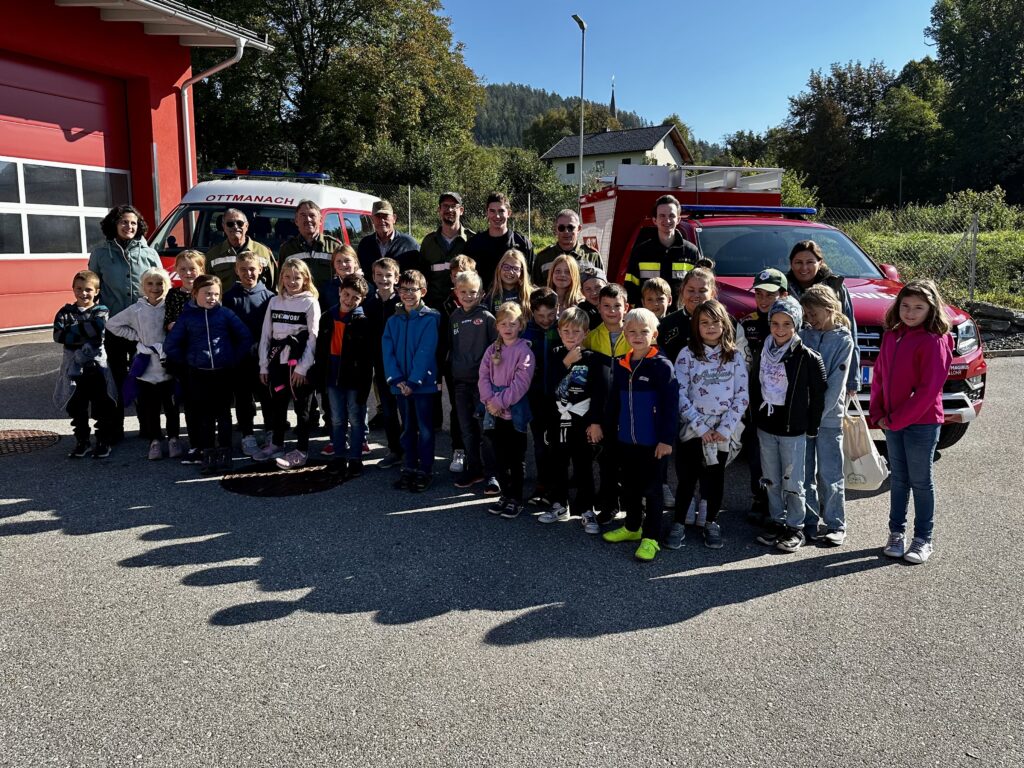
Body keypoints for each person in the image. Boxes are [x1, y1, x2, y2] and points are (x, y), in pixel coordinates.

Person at [871, 279, 953, 565]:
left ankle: (923, 538)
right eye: (905, 305)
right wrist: (878, 412)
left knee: (920, 481)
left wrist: (895, 419)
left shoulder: (934, 340)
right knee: (899, 479)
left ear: (931, 309)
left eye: (918, 307)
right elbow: (879, 375)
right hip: (892, 421)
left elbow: (928, 391)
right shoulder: (892, 336)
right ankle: (896, 533)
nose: (910, 312)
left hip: (922, 423)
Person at [592, 308, 678, 562]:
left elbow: (671, 406)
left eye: (644, 331)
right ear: (625, 334)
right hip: (625, 441)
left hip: (653, 442)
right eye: (632, 331)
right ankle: (632, 527)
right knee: (629, 487)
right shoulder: (622, 364)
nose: (638, 336)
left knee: (651, 490)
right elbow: (613, 404)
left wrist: (666, 439)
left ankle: (651, 537)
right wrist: (609, 434)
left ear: (654, 334)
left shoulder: (662, 366)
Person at [750, 296, 827, 553]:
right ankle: (777, 520)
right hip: (766, 425)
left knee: (793, 481)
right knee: (771, 478)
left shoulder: (808, 357)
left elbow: (818, 395)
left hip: (793, 428)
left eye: (787, 324)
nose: (780, 329)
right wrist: (754, 418)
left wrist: (812, 426)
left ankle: (796, 526)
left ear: (797, 325)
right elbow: (755, 385)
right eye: (775, 323)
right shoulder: (762, 350)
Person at [670, 300, 749, 550]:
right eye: (704, 322)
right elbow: (679, 393)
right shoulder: (687, 355)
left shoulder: (734, 356)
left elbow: (742, 395)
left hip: (721, 432)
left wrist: (724, 429)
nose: (710, 327)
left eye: (715, 322)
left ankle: (711, 521)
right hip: (694, 429)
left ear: (724, 324)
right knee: (687, 479)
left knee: (714, 480)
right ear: (696, 326)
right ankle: (678, 522)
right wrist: (700, 427)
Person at [87, 204, 160, 442]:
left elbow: (160, 287)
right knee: (116, 376)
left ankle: (148, 426)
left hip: (143, 326)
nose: (129, 226)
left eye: (133, 223)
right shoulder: (100, 253)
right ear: (114, 224)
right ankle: (115, 428)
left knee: (143, 374)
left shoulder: (149, 253)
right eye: (124, 222)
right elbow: (93, 288)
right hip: (115, 327)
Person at [164, 274, 252, 472]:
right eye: (207, 294)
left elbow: (245, 337)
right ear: (195, 294)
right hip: (198, 374)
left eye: (216, 294)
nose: (212, 298)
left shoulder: (225, 314)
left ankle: (225, 450)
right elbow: (170, 345)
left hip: (223, 372)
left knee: (224, 413)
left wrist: (233, 358)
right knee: (204, 415)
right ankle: (208, 451)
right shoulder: (187, 317)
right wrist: (188, 361)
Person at [799, 285, 855, 546]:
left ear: (830, 308)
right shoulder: (803, 335)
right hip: (803, 417)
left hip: (829, 418)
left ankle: (835, 523)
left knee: (830, 473)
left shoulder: (844, 340)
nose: (810, 319)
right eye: (806, 315)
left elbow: (836, 384)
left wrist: (817, 416)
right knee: (805, 471)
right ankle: (809, 520)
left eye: (814, 314)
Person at [106, 267, 181, 460]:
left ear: (167, 285)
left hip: (168, 365)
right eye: (150, 283)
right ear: (143, 286)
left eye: (160, 283)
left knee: (171, 407)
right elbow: (112, 324)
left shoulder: (171, 307)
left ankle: (173, 439)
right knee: (151, 409)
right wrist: (136, 337)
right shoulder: (136, 309)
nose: (155, 287)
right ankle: (154, 441)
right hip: (146, 368)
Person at [255, 257, 321, 468]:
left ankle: (301, 449)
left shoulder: (310, 302)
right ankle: (276, 443)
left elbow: (313, 338)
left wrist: (303, 368)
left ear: (305, 279)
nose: (292, 282)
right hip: (277, 362)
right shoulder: (275, 301)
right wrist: (264, 365)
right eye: (288, 277)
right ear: (281, 278)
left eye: (297, 278)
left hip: (299, 363)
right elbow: (266, 334)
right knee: (278, 404)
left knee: (302, 408)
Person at [537, 306, 601, 525]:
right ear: (559, 331)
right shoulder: (555, 354)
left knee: (583, 464)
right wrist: (566, 362)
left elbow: (598, 393)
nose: (571, 336)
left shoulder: (593, 358)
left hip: (582, 420)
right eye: (566, 331)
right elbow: (549, 385)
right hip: (558, 420)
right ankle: (559, 504)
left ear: (586, 333)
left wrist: (595, 422)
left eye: (576, 331)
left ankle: (587, 509)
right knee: (558, 462)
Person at [739, 268, 789, 522]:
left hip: (784, 400)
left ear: (784, 295)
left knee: (785, 454)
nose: (763, 299)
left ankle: (786, 502)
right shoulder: (746, 323)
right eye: (759, 293)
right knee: (756, 452)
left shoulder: (793, 324)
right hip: (755, 399)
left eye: (770, 294)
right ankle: (760, 498)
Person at [383, 269, 440, 493]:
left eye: (412, 289)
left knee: (425, 429)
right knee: (407, 428)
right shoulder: (392, 321)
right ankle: (409, 466)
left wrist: (414, 381)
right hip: (400, 385)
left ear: (422, 291)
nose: (407, 294)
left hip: (422, 386)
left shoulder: (430, 318)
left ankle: (425, 469)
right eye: (403, 289)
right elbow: (387, 352)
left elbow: (426, 352)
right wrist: (397, 379)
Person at [52, 270, 118, 459]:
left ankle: (103, 441)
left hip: (97, 370)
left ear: (96, 291)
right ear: (73, 289)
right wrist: (85, 333)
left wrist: (72, 332)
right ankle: (82, 441)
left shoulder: (101, 311)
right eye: (79, 289)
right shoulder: (64, 312)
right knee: (76, 407)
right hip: (73, 371)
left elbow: (97, 330)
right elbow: (58, 336)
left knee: (102, 407)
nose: (83, 293)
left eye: (88, 289)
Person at [479, 301, 535, 519]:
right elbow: (483, 376)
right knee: (499, 456)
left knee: (515, 457)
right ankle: (505, 493)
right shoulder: (492, 349)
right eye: (503, 324)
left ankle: (516, 497)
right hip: (493, 412)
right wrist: (489, 401)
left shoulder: (524, 351)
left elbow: (521, 383)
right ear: (497, 326)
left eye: (512, 323)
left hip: (514, 412)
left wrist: (499, 402)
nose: (508, 328)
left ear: (520, 325)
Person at [316, 274, 374, 480]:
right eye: (346, 294)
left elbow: (367, 359)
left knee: (356, 418)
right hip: (332, 376)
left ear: (362, 299)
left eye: (355, 298)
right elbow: (320, 351)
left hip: (354, 379)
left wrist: (365, 387)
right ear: (340, 291)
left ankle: (356, 458)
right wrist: (319, 379)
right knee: (337, 419)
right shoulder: (327, 317)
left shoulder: (363, 322)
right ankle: (339, 456)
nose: (349, 300)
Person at [785, 240, 860, 395]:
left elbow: (851, 332)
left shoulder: (836, 287)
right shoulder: (783, 288)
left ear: (820, 262)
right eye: (798, 262)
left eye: (810, 262)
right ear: (791, 263)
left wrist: (852, 379)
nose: (804, 268)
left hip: (833, 366)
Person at [583, 282, 630, 529]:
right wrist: (594, 419)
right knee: (607, 460)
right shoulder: (591, 338)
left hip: (629, 411)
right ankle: (609, 504)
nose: (612, 311)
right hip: (603, 412)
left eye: (617, 306)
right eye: (606, 306)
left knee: (629, 460)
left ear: (626, 307)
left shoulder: (634, 335)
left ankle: (632, 505)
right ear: (599, 308)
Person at [448, 270, 499, 492]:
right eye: (463, 292)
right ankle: (474, 468)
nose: (468, 296)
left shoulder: (487, 318)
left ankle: (492, 473)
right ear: (456, 293)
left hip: (483, 385)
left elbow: (496, 349)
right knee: (467, 429)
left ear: (481, 293)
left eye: (473, 292)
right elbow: (453, 347)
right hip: (461, 382)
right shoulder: (454, 317)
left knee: (486, 430)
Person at [222, 251, 275, 458]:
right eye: (243, 269)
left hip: (264, 359)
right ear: (236, 270)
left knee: (268, 397)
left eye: (252, 269)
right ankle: (247, 434)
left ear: (260, 269)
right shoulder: (228, 298)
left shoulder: (270, 297)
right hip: (239, 360)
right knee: (243, 399)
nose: (248, 273)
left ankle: (271, 432)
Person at [435, 254, 476, 475]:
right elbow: (442, 339)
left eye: (464, 274)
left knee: (479, 408)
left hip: (479, 366)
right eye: (455, 275)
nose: (459, 278)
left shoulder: (482, 302)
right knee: (458, 408)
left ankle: (478, 451)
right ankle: (458, 450)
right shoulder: (444, 304)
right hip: (455, 366)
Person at [623, 194, 702, 306]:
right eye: (662, 216)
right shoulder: (641, 252)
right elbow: (631, 290)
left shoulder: (691, 252)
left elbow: (699, 288)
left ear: (678, 219)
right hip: (649, 314)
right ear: (654, 220)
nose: (667, 220)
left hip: (680, 315)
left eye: (672, 215)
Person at [364, 257, 405, 468]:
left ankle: (411, 450)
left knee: (407, 411)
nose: (384, 279)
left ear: (397, 278)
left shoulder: (403, 304)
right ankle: (394, 450)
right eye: (379, 275)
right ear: (373, 277)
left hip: (403, 366)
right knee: (388, 411)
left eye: (388, 275)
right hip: (381, 367)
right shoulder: (368, 304)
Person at [522, 287, 560, 506]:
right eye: (540, 316)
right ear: (532, 312)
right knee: (540, 443)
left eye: (550, 315)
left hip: (559, 398)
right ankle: (543, 484)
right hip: (535, 397)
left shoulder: (563, 329)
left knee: (557, 443)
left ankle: (557, 486)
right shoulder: (526, 331)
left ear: (558, 309)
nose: (546, 320)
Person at [465, 193, 534, 289]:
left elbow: (530, 278)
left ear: (509, 213)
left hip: (514, 297)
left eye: (501, 211)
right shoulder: (474, 244)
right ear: (487, 213)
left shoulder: (522, 243)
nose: (497, 216)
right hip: (482, 297)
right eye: (492, 211)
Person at [419, 192, 474, 309]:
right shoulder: (429, 242)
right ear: (439, 210)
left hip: (464, 308)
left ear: (461, 210)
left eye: (454, 206)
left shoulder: (472, 240)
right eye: (445, 206)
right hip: (433, 308)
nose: (449, 209)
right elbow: (421, 277)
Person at [204, 208, 276, 290]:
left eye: (239, 223)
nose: (235, 227)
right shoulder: (212, 255)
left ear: (246, 226)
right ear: (224, 227)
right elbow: (206, 287)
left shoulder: (263, 252)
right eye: (230, 224)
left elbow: (274, 286)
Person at [278, 199, 343, 289]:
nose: (308, 219)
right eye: (303, 215)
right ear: (296, 221)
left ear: (320, 220)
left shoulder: (334, 246)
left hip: (327, 298)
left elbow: (345, 277)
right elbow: (280, 282)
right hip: (298, 298)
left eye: (312, 215)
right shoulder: (287, 249)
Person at [531, 208, 604, 286]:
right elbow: (535, 288)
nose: (566, 231)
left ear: (579, 229)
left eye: (570, 227)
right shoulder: (543, 258)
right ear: (556, 229)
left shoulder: (592, 256)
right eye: (561, 228)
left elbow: (601, 286)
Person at [357, 199, 419, 278]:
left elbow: (418, 275)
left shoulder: (409, 244)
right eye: (378, 216)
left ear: (394, 218)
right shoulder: (365, 244)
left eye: (385, 216)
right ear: (372, 219)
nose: (382, 220)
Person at [165, 250, 205, 331]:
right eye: (183, 269)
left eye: (192, 269)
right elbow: (167, 321)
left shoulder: (206, 293)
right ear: (176, 269)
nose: (188, 273)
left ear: (200, 269)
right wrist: (175, 325)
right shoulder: (172, 294)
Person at [485, 249, 533, 313]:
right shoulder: (491, 295)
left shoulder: (530, 294)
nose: (510, 272)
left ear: (522, 272)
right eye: (506, 267)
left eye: (516, 268)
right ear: (499, 268)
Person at [318, 245, 362, 311]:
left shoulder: (366, 287)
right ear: (334, 264)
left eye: (347, 260)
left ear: (355, 262)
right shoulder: (326, 289)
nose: (343, 264)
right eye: (338, 261)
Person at [578, 266, 607, 330]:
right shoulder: (580, 313)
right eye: (588, 289)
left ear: (606, 286)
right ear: (582, 292)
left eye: (598, 287)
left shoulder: (615, 307)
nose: (594, 293)